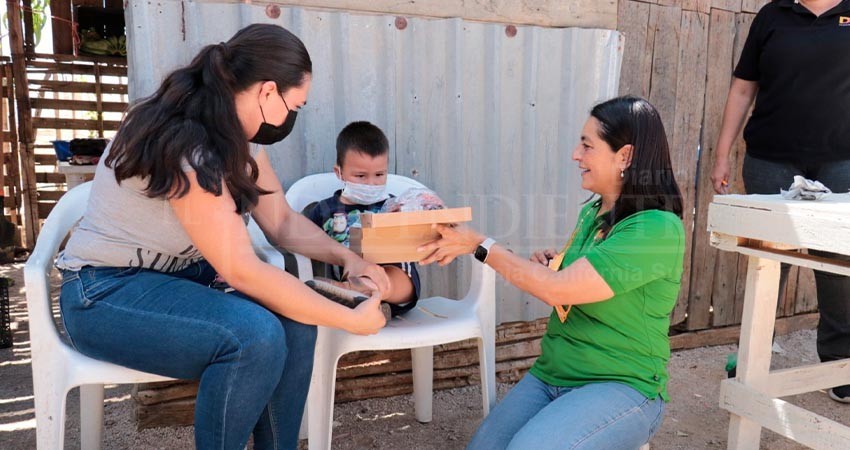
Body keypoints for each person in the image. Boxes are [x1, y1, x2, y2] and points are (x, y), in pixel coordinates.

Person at [55, 24, 390, 450]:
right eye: (296, 105)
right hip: (103, 293)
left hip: (178, 282)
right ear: (268, 92)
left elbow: (282, 222)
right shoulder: (188, 143)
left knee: (297, 324)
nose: (292, 117)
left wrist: (349, 260)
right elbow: (240, 269)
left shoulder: (238, 138)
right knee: (253, 336)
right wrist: (349, 319)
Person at [419, 96, 685, 450]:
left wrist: (480, 245)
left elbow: (559, 291)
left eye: (587, 146)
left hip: (621, 384)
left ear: (625, 156)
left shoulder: (657, 228)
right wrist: (556, 265)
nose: (576, 154)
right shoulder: (594, 213)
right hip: (553, 374)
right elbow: (578, 282)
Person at [710, 0, 850, 402]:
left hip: (841, 160)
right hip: (771, 159)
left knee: (838, 265)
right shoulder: (773, 15)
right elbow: (742, 87)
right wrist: (722, 154)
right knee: (767, 258)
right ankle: (753, 355)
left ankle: (839, 360)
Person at [303, 121, 420, 316]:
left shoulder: (392, 206)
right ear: (339, 172)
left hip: (394, 286)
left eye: (379, 174)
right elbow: (305, 245)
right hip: (349, 275)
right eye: (360, 176)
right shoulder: (324, 210)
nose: (371, 183)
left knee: (396, 271)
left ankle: (363, 291)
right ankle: (362, 297)